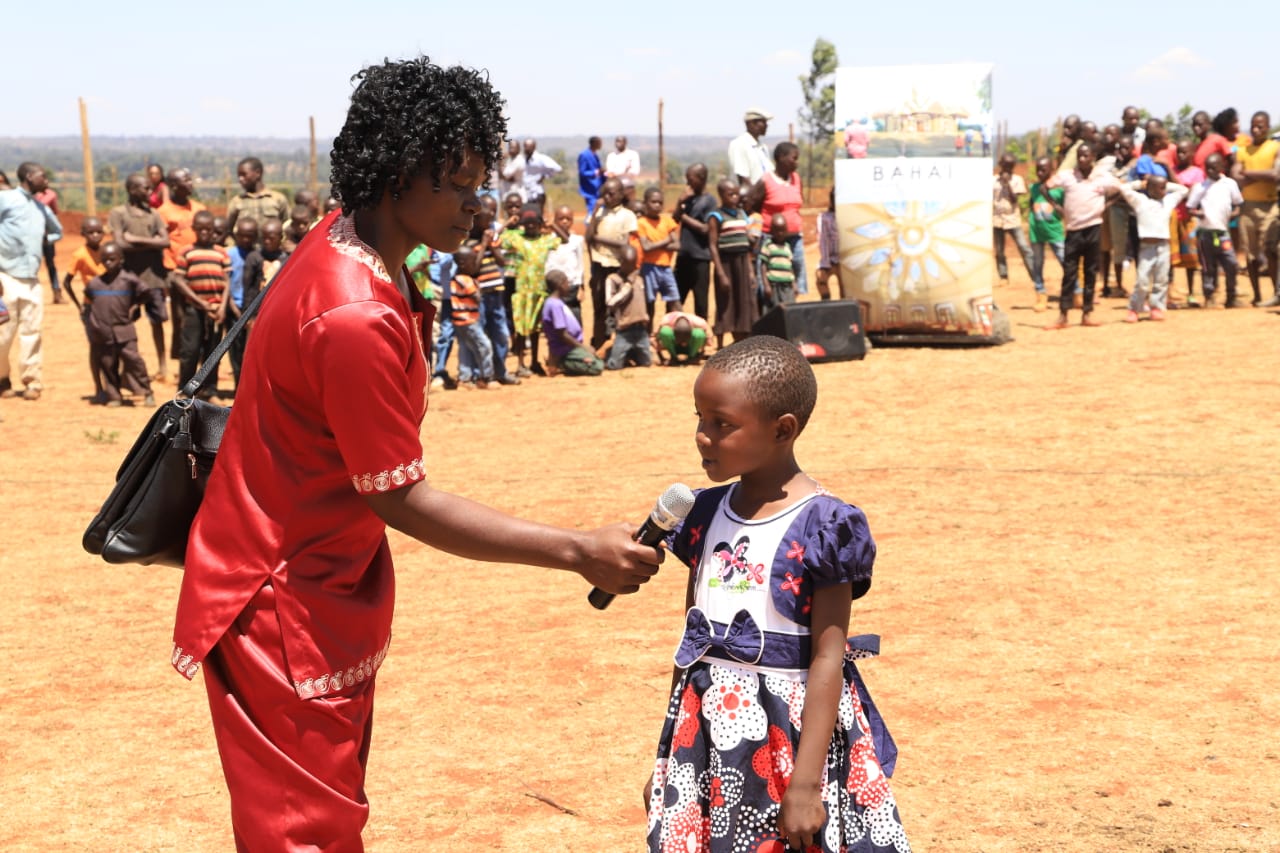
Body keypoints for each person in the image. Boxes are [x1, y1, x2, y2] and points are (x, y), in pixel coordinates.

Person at [173, 56, 661, 853]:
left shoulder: (350, 247)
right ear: (399, 176)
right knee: (307, 832)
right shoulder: (354, 312)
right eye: (460, 186)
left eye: (481, 184)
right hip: (283, 601)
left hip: (314, 580)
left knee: (322, 811)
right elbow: (400, 495)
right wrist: (577, 549)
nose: (479, 207)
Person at [643, 335, 910, 853]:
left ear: (783, 429)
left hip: (790, 738)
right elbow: (691, 644)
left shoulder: (826, 524)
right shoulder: (700, 513)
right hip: (706, 734)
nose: (702, 436)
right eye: (699, 418)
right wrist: (668, 760)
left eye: (722, 424)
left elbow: (829, 657)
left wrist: (806, 783)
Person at [0, 162, 62, 401]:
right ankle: (2, 379)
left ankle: (32, 381)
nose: (46, 181)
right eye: (42, 176)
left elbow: (58, 231)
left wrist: (43, 239)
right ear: (28, 177)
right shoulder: (7, 199)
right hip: (5, 276)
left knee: (32, 332)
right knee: (3, 333)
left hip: (32, 280)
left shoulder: (40, 207)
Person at [1045, 143, 1121, 329]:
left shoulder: (1102, 177)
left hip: (1093, 229)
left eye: (1086, 156)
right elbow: (1044, 187)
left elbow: (1121, 189)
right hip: (1073, 231)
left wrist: (1106, 205)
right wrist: (1057, 207)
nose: (1082, 159)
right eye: (1079, 156)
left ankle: (1087, 314)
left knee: (1090, 272)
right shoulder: (1068, 176)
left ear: (1093, 157)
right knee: (1069, 273)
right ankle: (1063, 315)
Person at [109, 173, 171, 381]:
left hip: (153, 278)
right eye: (144, 188)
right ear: (132, 189)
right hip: (128, 279)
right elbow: (120, 244)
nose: (149, 192)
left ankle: (163, 367)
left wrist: (135, 239)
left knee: (157, 322)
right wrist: (151, 242)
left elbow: (165, 242)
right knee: (126, 323)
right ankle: (128, 370)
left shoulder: (154, 214)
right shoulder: (118, 213)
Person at [83, 241, 155, 407]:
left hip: (125, 330)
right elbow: (89, 300)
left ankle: (147, 391)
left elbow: (146, 293)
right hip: (104, 332)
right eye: (105, 259)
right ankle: (114, 395)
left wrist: (135, 306)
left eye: (112, 259)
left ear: (120, 260)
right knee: (107, 364)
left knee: (134, 361)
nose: (108, 263)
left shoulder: (129, 280)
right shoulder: (95, 283)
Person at [170, 210, 231, 399]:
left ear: (214, 230)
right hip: (194, 310)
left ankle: (210, 389)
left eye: (209, 229)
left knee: (213, 352)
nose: (205, 232)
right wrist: (201, 303)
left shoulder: (221, 253)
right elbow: (178, 280)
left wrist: (222, 307)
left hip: (215, 311)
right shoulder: (186, 252)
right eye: (201, 229)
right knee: (190, 350)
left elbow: (227, 281)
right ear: (194, 229)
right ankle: (185, 389)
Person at [1115, 175, 1188, 323]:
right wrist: (1141, 184)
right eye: (1161, 188)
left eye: (1165, 188)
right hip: (1146, 247)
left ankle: (1156, 307)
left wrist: (1167, 185)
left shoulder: (1168, 201)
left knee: (1161, 279)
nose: (1164, 191)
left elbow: (1183, 190)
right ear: (1150, 189)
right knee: (1142, 280)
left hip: (1163, 246)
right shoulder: (1140, 201)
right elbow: (1123, 188)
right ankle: (1134, 308)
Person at [157, 167, 206, 373]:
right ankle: (183, 365)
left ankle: (205, 363)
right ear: (174, 186)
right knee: (181, 319)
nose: (190, 183)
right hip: (176, 273)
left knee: (201, 317)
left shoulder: (198, 208)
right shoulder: (163, 213)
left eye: (190, 178)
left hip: (200, 270)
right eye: (186, 180)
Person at [465, 195, 518, 383]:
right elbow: (474, 268)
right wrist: (485, 244)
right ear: (476, 222)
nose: (490, 225)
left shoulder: (493, 239)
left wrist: (492, 244)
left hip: (496, 292)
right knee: (483, 335)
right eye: (487, 221)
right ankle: (483, 374)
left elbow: (502, 262)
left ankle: (501, 372)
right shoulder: (469, 244)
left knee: (501, 334)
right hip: (480, 295)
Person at [1231, 111, 1280, 306]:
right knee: (1250, 255)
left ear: (1268, 127)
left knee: (1271, 249)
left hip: (1271, 205)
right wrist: (1261, 175)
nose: (1255, 129)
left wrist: (1248, 173)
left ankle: (1276, 293)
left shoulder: (1275, 147)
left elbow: (1276, 175)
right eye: (1253, 125)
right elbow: (1236, 178)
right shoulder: (1242, 150)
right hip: (1248, 207)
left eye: (1260, 126)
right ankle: (1257, 295)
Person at [507, 206, 561, 377]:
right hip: (522, 291)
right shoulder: (517, 238)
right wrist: (509, 224)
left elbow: (564, 239)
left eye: (534, 223)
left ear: (540, 224)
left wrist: (552, 225)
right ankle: (521, 364)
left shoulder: (545, 240)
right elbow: (498, 240)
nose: (531, 227)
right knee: (521, 329)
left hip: (539, 291)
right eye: (527, 223)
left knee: (536, 329)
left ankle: (534, 362)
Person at [586, 177, 639, 349]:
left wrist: (598, 239)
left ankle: (617, 347)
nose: (607, 198)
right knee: (599, 306)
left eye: (611, 194)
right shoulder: (599, 213)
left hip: (617, 265)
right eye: (604, 194)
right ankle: (599, 342)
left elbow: (624, 244)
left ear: (621, 194)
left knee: (617, 307)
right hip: (600, 263)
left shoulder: (627, 216)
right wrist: (594, 212)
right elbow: (588, 238)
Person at [748, 141, 807, 295]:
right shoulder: (766, 181)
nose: (797, 163)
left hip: (795, 238)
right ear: (781, 158)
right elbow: (750, 204)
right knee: (769, 274)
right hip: (771, 239)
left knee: (796, 272)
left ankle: (791, 305)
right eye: (794, 158)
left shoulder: (797, 179)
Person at [1188, 153, 1244, 308]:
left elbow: (1238, 204)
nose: (1210, 170)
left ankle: (1231, 297)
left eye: (1214, 167)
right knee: (1208, 267)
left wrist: (1233, 214)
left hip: (1223, 234)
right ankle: (1209, 297)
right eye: (1208, 168)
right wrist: (1199, 213)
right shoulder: (1200, 187)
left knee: (1231, 264)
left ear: (1222, 166)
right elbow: (1190, 208)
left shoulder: (1230, 184)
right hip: (1205, 234)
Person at [707, 179, 757, 348]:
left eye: (736, 194)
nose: (735, 198)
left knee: (743, 301)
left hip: (742, 262)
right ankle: (720, 344)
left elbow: (747, 245)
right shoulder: (716, 216)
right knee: (725, 302)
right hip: (726, 263)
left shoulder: (742, 214)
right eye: (730, 194)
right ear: (721, 195)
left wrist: (750, 271)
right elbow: (713, 245)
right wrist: (720, 273)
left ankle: (742, 339)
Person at [63, 216, 108, 399]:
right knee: (96, 348)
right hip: (91, 307)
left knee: (112, 348)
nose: (95, 235)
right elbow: (67, 282)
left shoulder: (108, 251)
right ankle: (99, 388)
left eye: (99, 232)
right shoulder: (80, 254)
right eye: (91, 232)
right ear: (83, 234)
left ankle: (112, 386)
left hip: (110, 306)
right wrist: (78, 305)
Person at [449, 245, 496, 388]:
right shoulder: (465, 279)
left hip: (460, 320)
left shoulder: (457, 278)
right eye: (473, 261)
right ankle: (486, 377)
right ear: (463, 264)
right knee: (484, 345)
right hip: (468, 320)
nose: (476, 265)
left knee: (466, 348)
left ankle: (465, 378)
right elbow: (476, 297)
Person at [673, 163, 715, 320]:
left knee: (701, 304)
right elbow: (674, 219)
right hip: (683, 257)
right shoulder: (688, 199)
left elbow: (706, 229)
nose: (687, 184)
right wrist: (679, 202)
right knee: (676, 300)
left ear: (701, 178)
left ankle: (702, 340)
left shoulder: (710, 201)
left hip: (700, 259)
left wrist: (684, 217)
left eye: (690, 179)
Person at [542, 269, 603, 376]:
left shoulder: (556, 302)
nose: (569, 285)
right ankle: (561, 363)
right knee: (597, 366)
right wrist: (583, 347)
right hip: (565, 349)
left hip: (570, 347)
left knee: (595, 356)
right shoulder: (555, 305)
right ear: (560, 285)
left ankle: (561, 361)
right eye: (567, 282)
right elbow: (562, 334)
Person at [989, 152, 1036, 290]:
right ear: (1001, 165)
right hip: (997, 219)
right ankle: (1003, 276)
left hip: (1012, 219)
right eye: (1006, 166)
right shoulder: (992, 181)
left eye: (1010, 167)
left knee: (1024, 247)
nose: (1008, 169)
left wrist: (1007, 184)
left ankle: (1035, 276)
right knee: (999, 251)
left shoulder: (1017, 180)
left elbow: (1015, 200)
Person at [224, 218, 260, 386]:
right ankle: (238, 388)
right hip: (234, 310)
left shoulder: (258, 256)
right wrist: (234, 308)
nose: (246, 239)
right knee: (235, 351)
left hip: (253, 313)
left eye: (250, 236)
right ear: (236, 235)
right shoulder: (229, 255)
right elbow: (227, 283)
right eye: (242, 236)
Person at [603, 245, 652, 370]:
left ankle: (631, 353)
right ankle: (611, 350)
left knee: (647, 363)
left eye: (634, 264)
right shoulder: (613, 279)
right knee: (614, 366)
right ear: (621, 262)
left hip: (641, 330)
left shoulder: (640, 279)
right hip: (625, 330)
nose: (632, 268)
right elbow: (609, 302)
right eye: (628, 265)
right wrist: (626, 288)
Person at [636, 186, 680, 324]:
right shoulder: (641, 223)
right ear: (645, 204)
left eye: (660, 203)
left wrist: (656, 245)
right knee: (650, 303)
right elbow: (646, 247)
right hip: (649, 268)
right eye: (653, 202)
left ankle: (679, 331)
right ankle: (648, 335)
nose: (657, 205)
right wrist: (667, 241)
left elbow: (677, 245)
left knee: (675, 301)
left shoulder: (667, 221)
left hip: (666, 268)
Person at [1170, 139, 1205, 308]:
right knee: (1171, 257)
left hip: (1189, 219)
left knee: (1191, 258)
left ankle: (1191, 293)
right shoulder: (1173, 170)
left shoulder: (1197, 173)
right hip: (1173, 217)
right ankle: (1169, 293)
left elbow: (1190, 193)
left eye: (1184, 152)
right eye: (1178, 152)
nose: (1180, 155)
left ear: (1192, 154)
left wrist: (1179, 189)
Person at [1027, 157, 1065, 313]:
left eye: (1043, 170)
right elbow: (1031, 204)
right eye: (1038, 169)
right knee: (1037, 264)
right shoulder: (1034, 188)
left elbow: (1063, 211)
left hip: (1055, 232)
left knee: (1065, 260)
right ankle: (1040, 294)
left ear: (1051, 170)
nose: (1039, 173)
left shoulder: (1059, 190)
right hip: (1036, 232)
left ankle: (1076, 292)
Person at [1100, 135, 1136, 298]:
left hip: (1135, 210)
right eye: (1120, 147)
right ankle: (1118, 285)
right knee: (1118, 247)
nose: (1123, 151)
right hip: (1117, 210)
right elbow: (1109, 189)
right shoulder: (1112, 167)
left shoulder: (1137, 165)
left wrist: (1120, 188)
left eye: (1127, 147)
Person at [545, 204, 587, 325]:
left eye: (568, 219)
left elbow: (580, 264)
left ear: (572, 221)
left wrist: (582, 287)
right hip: (552, 286)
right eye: (561, 219)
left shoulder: (577, 240)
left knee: (574, 317)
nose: (564, 222)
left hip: (571, 286)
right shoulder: (548, 240)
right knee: (555, 320)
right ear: (555, 220)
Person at [225, 157, 290, 232]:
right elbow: (229, 229)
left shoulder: (277, 199)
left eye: (244, 175)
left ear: (258, 173)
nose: (240, 179)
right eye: (239, 176)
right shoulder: (236, 202)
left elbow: (287, 225)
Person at [33, 179, 63, 303]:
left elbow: (53, 211)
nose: (46, 181)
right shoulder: (31, 196)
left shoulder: (50, 195)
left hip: (45, 237)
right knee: (35, 265)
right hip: (34, 237)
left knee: (50, 264)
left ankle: (57, 293)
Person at [728, 107, 773, 187]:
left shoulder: (763, 147)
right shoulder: (739, 144)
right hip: (751, 197)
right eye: (763, 122)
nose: (766, 125)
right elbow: (743, 178)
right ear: (751, 124)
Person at [513, 138, 562, 211]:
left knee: (537, 216)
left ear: (534, 147)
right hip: (525, 194)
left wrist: (545, 176)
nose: (526, 149)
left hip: (537, 193)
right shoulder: (523, 159)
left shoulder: (541, 158)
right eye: (525, 146)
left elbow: (557, 168)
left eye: (528, 147)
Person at [761, 212, 794, 306]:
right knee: (774, 311)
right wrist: (766, 285)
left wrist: (794, 284)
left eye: (783, 230)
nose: (780, 233)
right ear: (771, 231)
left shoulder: (787, 247)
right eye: (777, 230)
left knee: (789, 309)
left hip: (787, 285)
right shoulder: (768, 245)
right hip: (774, 285)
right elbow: (763, 266)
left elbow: (790, 266)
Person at [816, 188, 841, 300]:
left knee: (846, 286)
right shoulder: (825, 218)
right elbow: (823, 241)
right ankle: (826, 302)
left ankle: (845, 306)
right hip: (829, 260)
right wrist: (826, 264)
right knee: (820, 279)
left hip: (844, 261)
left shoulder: (848, 217)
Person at [577, 136, 604, 216]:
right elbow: (582, 172)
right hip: (590, 189)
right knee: (592, 212)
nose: (601, 145)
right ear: (594, 143)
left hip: (598, 189)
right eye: (599, 143)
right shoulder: (584, 155)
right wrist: (596, 172)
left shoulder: (595, 155)